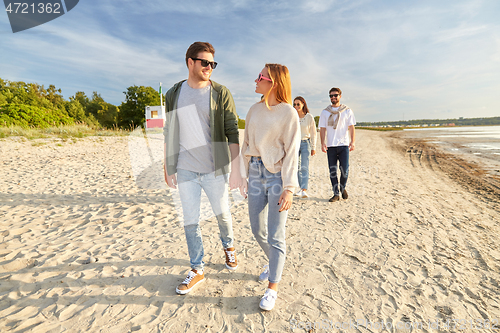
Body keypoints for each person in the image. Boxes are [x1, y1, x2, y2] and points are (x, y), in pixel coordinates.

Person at [163, 42, 243, 295]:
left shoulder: (220, 92)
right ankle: (197, 268)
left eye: (212, 64)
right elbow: (170, 130)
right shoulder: (174, 93)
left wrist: (236, 169)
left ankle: (228, 247)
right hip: (185, 169)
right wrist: (168, 164)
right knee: (190, 220)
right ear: (190, 62)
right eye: (205, 62)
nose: (210, 67)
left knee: (222, 214)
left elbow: (231, 130)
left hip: (214, 168)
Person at [241, 64, 300, 310]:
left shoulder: (289, 113)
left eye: (260, 77)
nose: (256, 80)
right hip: (254, 173)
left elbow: (292, 152)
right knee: (257, 230)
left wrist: (289, 187)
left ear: (273, 82)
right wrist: (244, 176)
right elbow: (246, 145)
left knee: (277, 235)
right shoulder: (254, 110)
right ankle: (274, 261)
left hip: (277, 177)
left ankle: (272, 288)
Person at [318, 87, 356, 202]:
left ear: (340, 96)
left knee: (345, 170)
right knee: (333, 170)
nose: (333, 97)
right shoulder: (325, 112)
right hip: (330, 146)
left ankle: (342, 187)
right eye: (331, 96)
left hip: (343, 145)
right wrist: (322, 143)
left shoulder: (347, 111)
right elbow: (323, 129)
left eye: (335, 95)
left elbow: (351, 127)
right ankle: (336, 194)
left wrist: (352, 141)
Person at [293, 96, 317, 198]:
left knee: (304, 166)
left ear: (303, 104)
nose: (296, 106)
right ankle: (299, 188)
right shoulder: (292, 116)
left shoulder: (309, 117)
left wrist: (313, 147)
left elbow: (313, 133)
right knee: (295, 167)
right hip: (294, 144)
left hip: (305, 143)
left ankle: (304, 189)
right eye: (294, 104)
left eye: (298, 104)